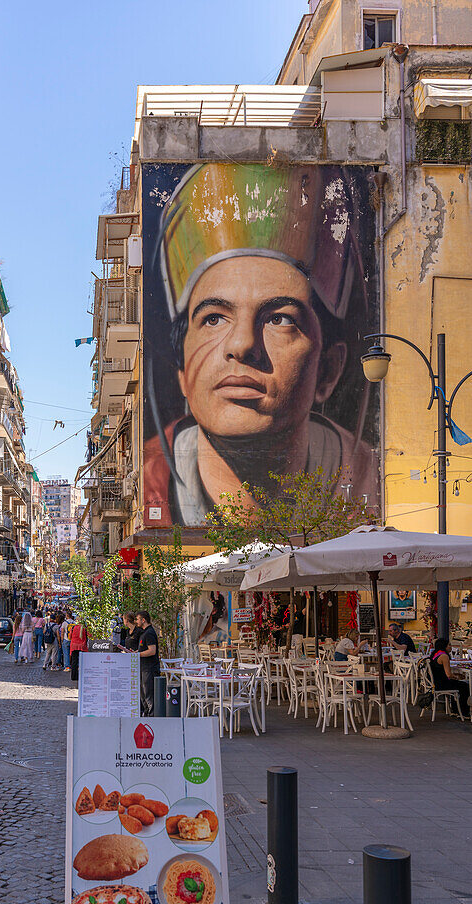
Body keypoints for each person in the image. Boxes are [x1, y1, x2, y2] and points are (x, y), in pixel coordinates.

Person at [143, 163, 379, 526]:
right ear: (182, 369)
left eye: (279, 319)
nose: (242, 344)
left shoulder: (372, 485)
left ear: (328, 370)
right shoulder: (151, 479)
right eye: (214, 318)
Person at [429, 637, 470, 718]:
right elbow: (449, 675)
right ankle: (463, 711)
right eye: (449, 645)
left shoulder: (435, 654)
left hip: (435, 682)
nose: (451, 647)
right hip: (442, 684)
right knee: (464, 686)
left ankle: (455, 710)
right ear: (443, 646)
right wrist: (457, 677)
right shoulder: (444, 656)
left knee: (457, 684)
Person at [136, 610, 160, 717]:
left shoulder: (149, 633)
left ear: (143, 620)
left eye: (137, 619)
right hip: (143, 668)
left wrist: (138, 655)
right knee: (143, 695)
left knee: (149, 694)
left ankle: (152, 718)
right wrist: (136, 653)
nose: (136, 621)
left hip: (149, 669)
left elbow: (152, 650)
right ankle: (146, 715)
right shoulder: (144, 633)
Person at [69, 617, 88, 682]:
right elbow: (90, 635)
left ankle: (74, 676)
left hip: (74, 646)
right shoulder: (84, 628)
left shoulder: (73, 627)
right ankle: (81, 676)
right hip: (82, 646)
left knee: (74, 662)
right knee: (82, 662)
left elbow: (69, 637)